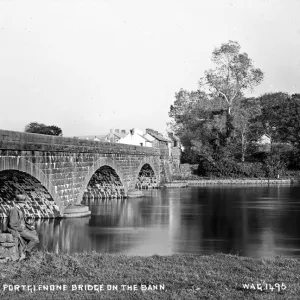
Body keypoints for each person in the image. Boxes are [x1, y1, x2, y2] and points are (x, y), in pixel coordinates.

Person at [7, 194, 39, 261]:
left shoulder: (19, 210)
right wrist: (21, 229)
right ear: (18, 203)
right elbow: (12, 224)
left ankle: (25, 252)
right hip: (18, 230)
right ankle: (26, 253)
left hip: (22, 228)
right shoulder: (14, 210)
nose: (24, 204)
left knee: (34, 232)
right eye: (23, 203)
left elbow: (23, 221)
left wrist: (30, 227)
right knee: (35, 239)